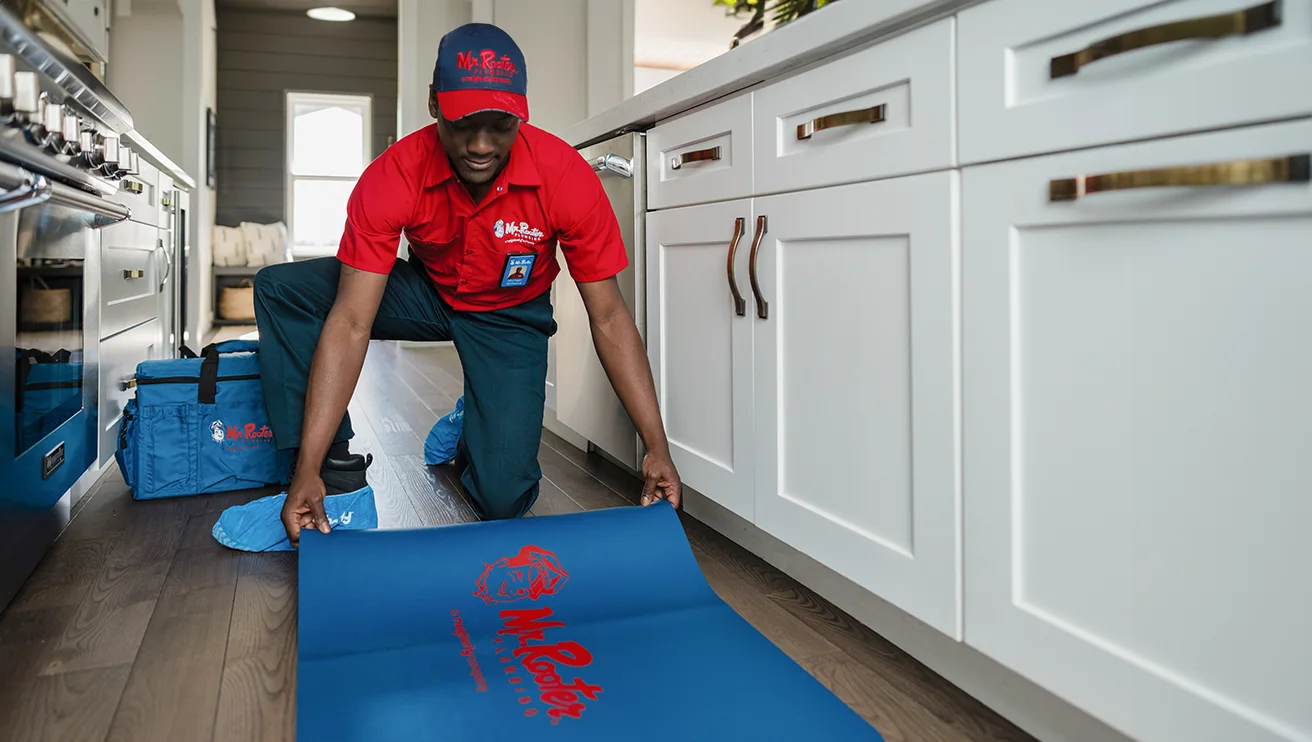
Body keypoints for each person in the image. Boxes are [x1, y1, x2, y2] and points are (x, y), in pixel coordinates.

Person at [253, 22, 682, 546]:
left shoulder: (565, 177)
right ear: (434, 104)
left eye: (500, 125)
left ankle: (476, 419)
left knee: (503, 500)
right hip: (427, 293)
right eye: (462, 124)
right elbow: (350, 321)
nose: (480, 145)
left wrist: (655, 446)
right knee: (282, 288)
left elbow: (610, 317)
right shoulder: (394, 176)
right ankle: (332, 472)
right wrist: (309, 466)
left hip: (511, 313)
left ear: (521, 112)